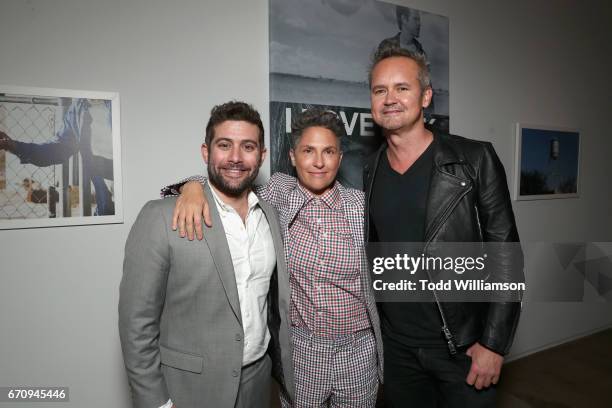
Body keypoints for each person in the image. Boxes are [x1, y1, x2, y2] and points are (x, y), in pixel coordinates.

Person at [162, 109, 383, 407]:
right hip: (303, 352)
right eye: (308, 151)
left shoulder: (360, 206)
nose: (319, 162)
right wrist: (191, 187)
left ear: (340, 159)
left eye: (328, 151)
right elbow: (230, 181)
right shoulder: (279, 192)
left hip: (358, 353)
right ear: (293, 156)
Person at [365, 44, 523, 407]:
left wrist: (494, 344)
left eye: (402, 88)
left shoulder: (474, 159)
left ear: (425, 97)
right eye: (379, 90)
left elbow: (506, 255)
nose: (390, 98)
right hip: (398, 350)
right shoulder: (371, 169)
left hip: (464, 349)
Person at [118, 101, 294, 408]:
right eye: (224, 145)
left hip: (258, 383)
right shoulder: (160, 217)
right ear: (206, 152)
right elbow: (137, 323)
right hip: (190, 390)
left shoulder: (271, 216)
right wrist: (156, 402)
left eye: (248, 146)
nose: (236, 158)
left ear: (262, 156)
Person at [0, 98, 114, 215]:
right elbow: (56, 150)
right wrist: (13, 146)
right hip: (106, 210)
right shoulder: (78, 109)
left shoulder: (122, 100)